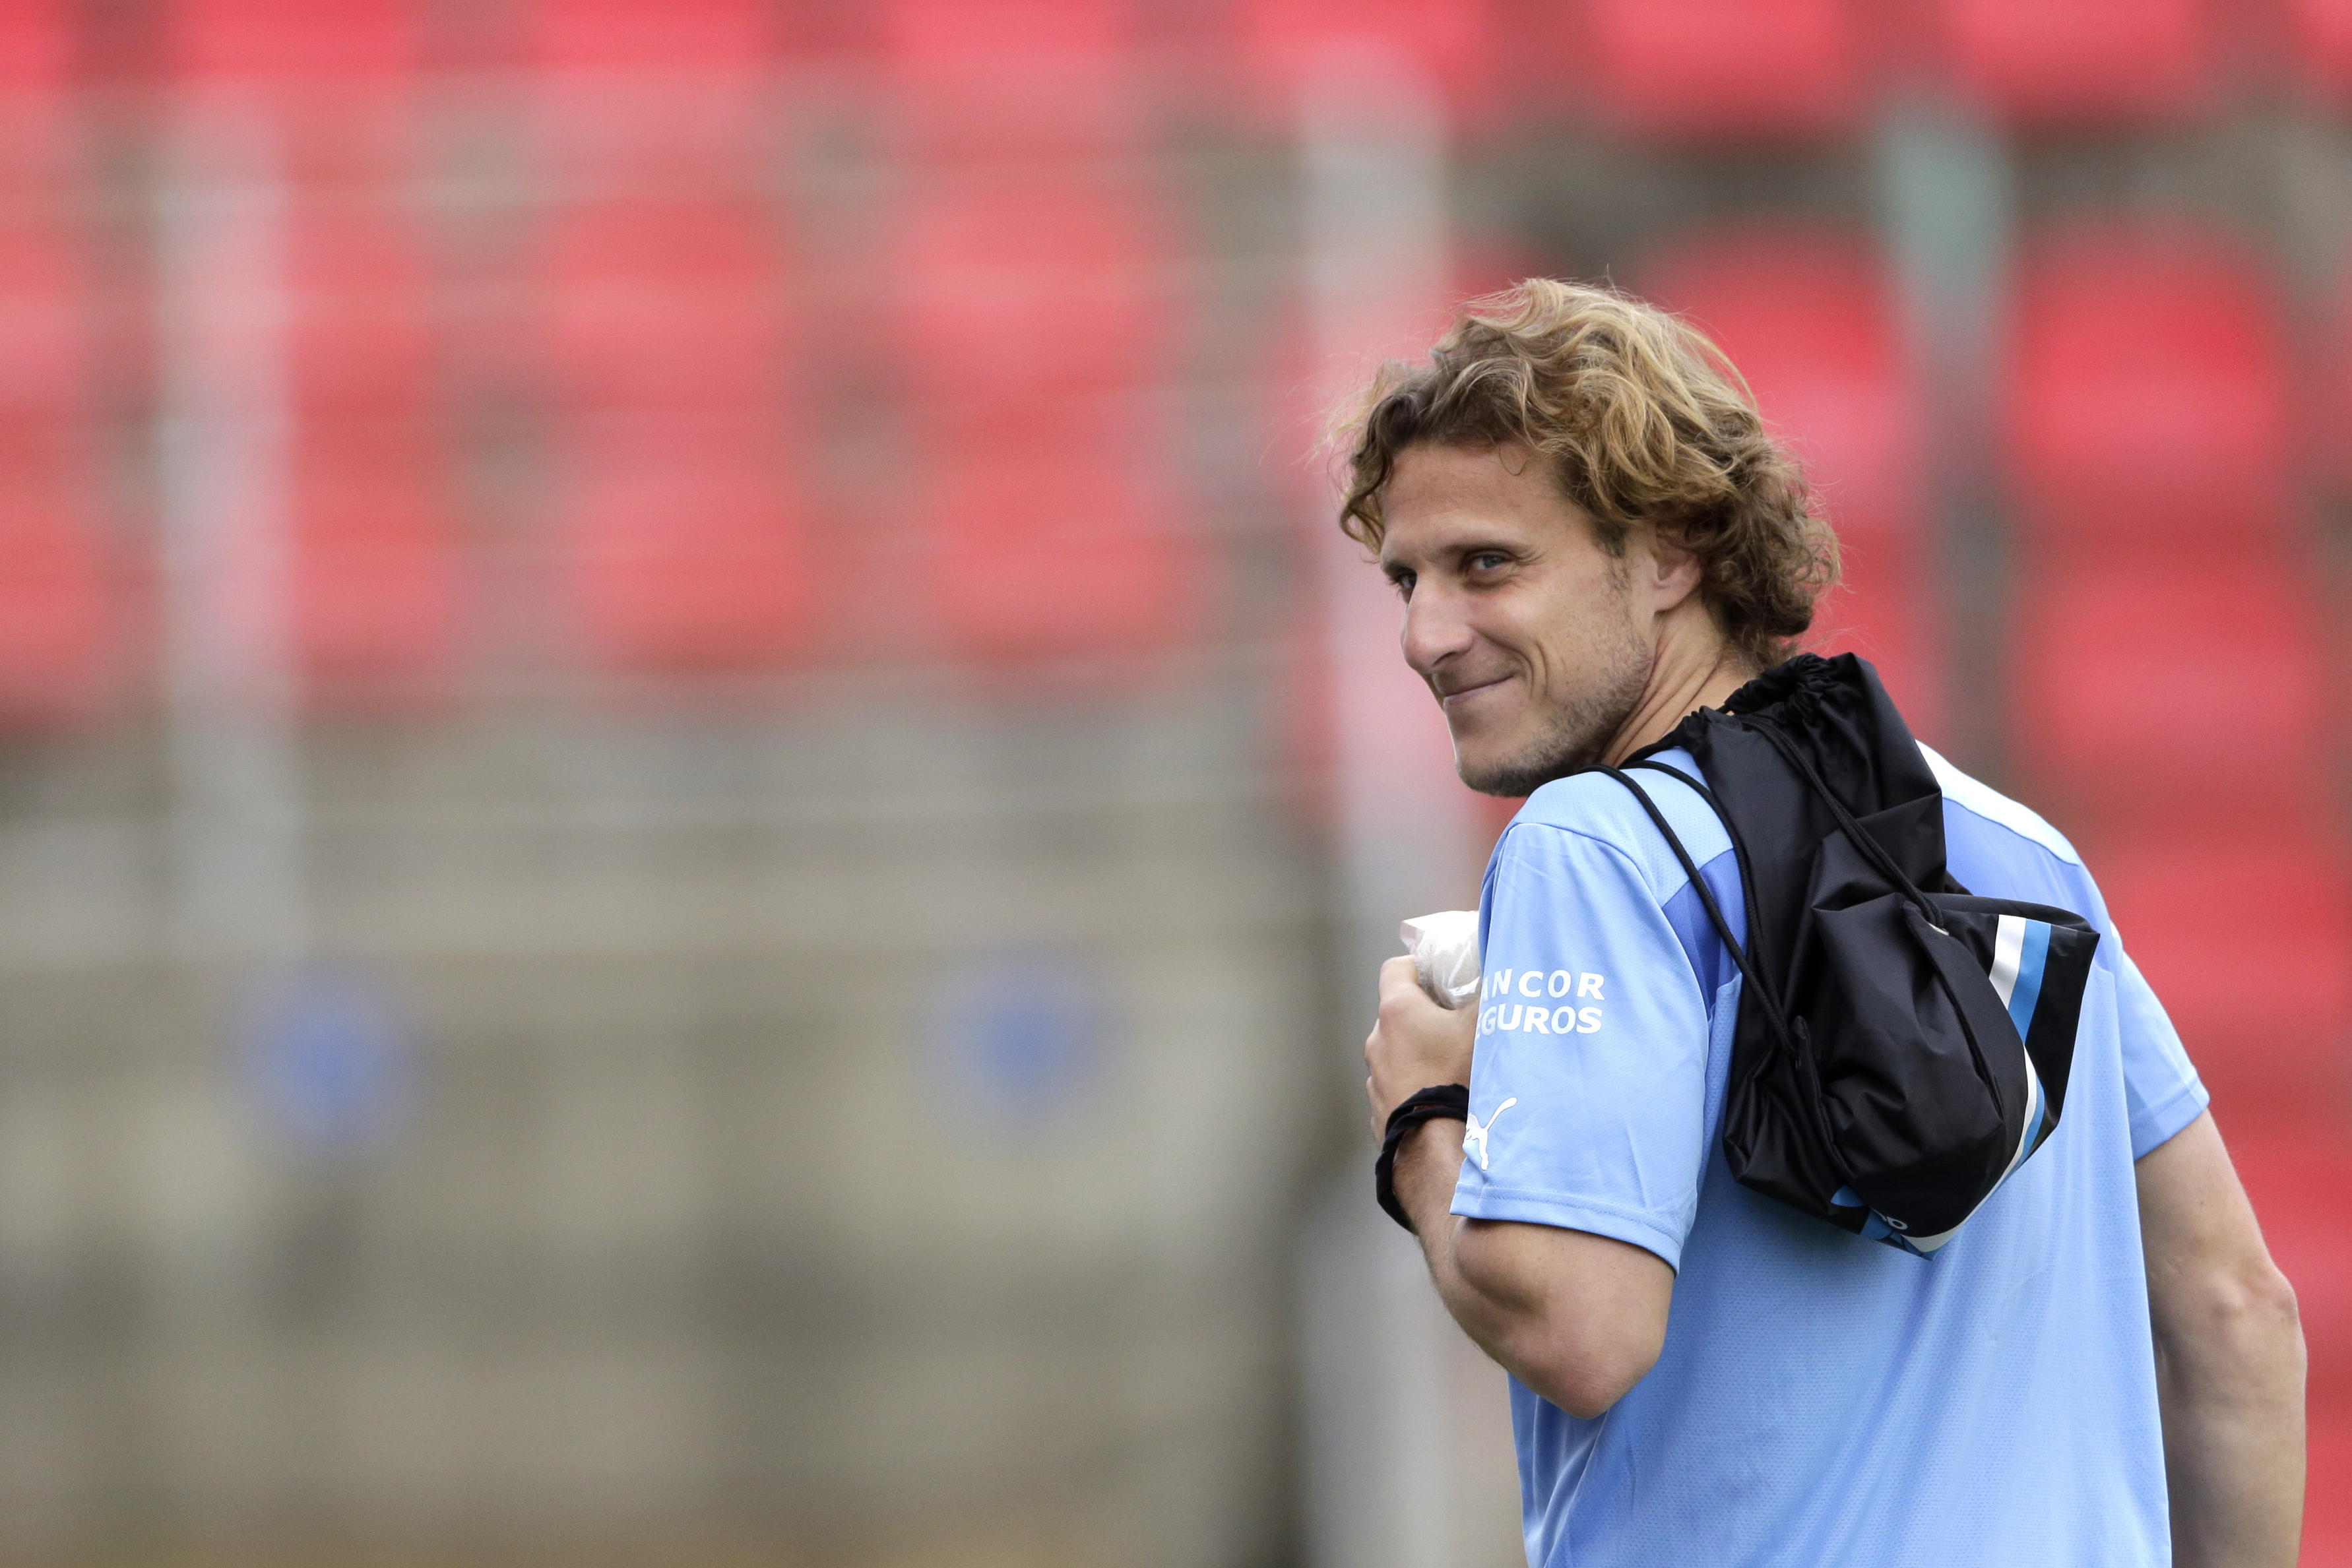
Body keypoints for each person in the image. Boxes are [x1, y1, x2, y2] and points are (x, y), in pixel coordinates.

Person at [1342, 280, 2306, 1567]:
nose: (1422, 633)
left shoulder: (1594, 845)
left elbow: (1584, 1328)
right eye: (1406, 575)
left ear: (1674, 549)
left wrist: (1421, 1120)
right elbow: (2237, 1311)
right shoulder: (2020, 849)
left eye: (1486, 566)